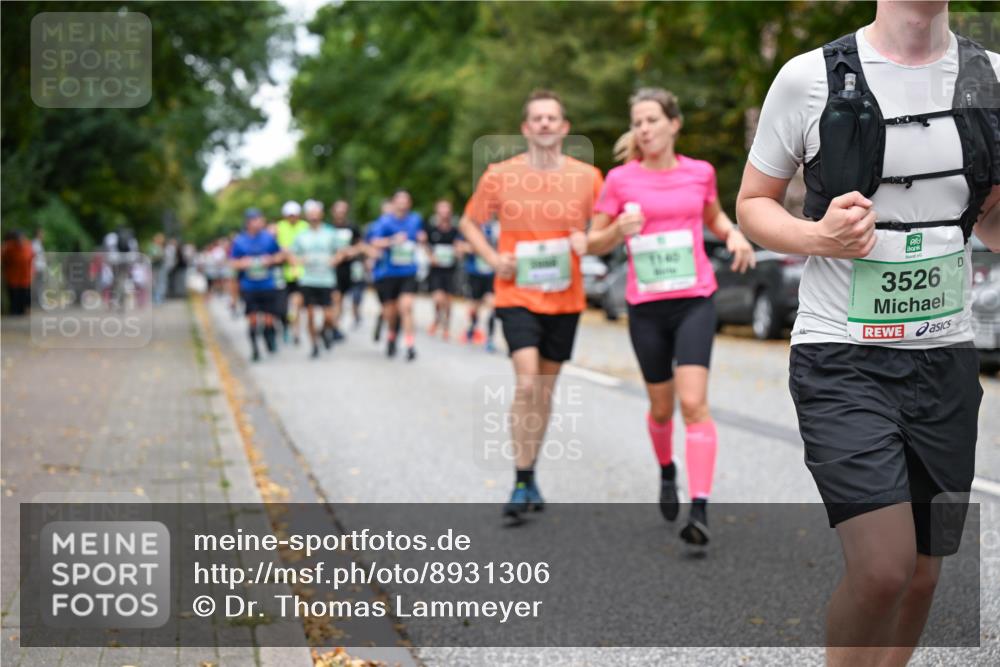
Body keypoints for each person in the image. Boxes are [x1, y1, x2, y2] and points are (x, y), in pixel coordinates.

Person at [735, 2, 998, 663]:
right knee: (884, 566)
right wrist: (817, 235)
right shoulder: (808, 78)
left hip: (946, 365)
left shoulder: (991, 76)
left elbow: (989, 215)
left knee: (925, 571)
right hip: (841, 358)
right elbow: (752, 205)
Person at [586, 87, 755, 546]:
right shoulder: (620, 181)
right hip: (647, 307)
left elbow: (715, 218)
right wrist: (617, 230)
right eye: (637, 122)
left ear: (673, 124)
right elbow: (592, 242)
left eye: (652, 120)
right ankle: (666, 470)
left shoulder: (700, 173)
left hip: (695, 300)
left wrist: (735, 236)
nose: (644, 128)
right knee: (661, 406)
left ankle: (699, 507)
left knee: (693, 402)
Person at [458, 89, 603, 524]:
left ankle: (530, 469)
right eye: (536, 118)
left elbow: (609, 227)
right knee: (526, 385)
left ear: (564, 128)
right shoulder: (500, 175)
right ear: (525, 129)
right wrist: (491, 257)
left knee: (544, 389)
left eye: (551, 118)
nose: (544, 124)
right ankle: (520, 478)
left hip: (565, 299)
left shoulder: (588, 177)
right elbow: (469, 222)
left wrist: (590, 241)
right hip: (515, 294)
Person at [367, 189, 425, 361]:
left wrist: (422, 238)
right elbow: (374, 242)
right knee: (391, 313)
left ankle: (410, 345)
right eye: (399, 200)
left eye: (405, 200)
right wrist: (393, 240)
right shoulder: (384, 222)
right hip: (388, 273)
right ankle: (392, 335)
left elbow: (420, 236)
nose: (402, 204)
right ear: (394, 203)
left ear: (409, 203)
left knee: (406, 307)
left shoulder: (415, 220)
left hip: (408, 271)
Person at [230, 208, 287, 362]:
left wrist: (271, 260)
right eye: (257, 220)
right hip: (249, 286)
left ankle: (269, 337)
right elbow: (232, 262)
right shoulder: (240, 241)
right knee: (253, 319)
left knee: (269, 319)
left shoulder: (269, 238)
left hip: (268, 285)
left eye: (261, 219)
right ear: (249, 222)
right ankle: (255, 348)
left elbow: (281, 255)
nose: (260, 222)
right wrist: (243, 263)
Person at [293, 199, 342, 359]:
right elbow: (292, 254)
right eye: (311, 214)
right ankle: (314, 345)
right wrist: (298, 262)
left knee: (329, 316)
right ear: (307, 216)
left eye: (316, 213)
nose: (314, 216)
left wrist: (335, 259)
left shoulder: (330, 233)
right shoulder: (302, 236)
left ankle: (323, 332)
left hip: (326, 280)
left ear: (321, 214)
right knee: (311, 315)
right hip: (308, 280)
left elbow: (341, 251)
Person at [457, 217, 500, 351]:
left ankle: (490, 338)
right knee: (475, 306)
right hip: (474, 273)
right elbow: (459, 247)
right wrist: (474, 248)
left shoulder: (497, 227)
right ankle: (472, 328)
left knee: (493, 305)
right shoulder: (470, 225)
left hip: (491, 273)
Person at [424, 199, 461, 339]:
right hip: (436, 269)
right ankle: (437, 318)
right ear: (437, 211)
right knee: (438, 298)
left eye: (447, 210)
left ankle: (446, 326)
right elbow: (426, 245)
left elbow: (460, 246)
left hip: (450, 269)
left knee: (448, 300)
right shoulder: (431, 229)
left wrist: (459, 250)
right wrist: (430, 256)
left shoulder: (455, 230)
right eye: (442, 209)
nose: (444, 213)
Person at [329, 199, 365, 339]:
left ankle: (337, 324)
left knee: (345, 299)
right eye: (338, 210)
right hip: (333, 269)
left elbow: (361, 245)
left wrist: (351, 251)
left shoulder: (352, 227)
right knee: (336, 298)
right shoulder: (328, 228)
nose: (340, 213)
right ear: (333, 211)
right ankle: (334, 326)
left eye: (343, 210)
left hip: (349, 268)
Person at [275, 201, 308, 345]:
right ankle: (285, 325)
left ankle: (296, 333)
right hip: (283, 273)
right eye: (290, 215)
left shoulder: (304, 227)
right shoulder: (279, 227)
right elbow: (278, 249)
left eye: (294, 215)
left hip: (300, 273)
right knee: (282, 308)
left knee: (296, 306)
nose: (292, 218)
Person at [2, 231, 34, 315]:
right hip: (13, 276)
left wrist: (31, 272)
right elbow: (5, 259)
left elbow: (31, 259)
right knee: (14, 294)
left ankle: (22, 310)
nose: (20, 241)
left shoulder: (28, 246)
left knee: (24, 294)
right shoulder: (9, 247)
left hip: (25, 276)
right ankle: (14, 311)